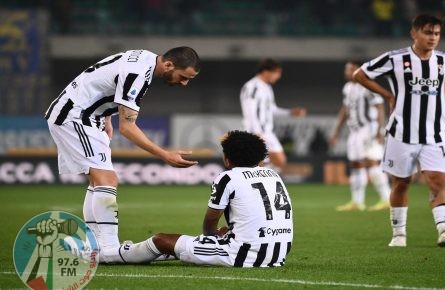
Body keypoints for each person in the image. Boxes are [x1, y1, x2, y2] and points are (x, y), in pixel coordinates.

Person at [45, 47, 201, 262]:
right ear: (168, 65)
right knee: (107, 179)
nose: (184, 83)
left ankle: (95, 244)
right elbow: (127, 128)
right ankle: (109, 248)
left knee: (98, 181)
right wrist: (165, 155)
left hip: (90, 115)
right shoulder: (139, 74)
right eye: (183, 77)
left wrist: (107, 117)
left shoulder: (143, 57)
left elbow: (103, 79)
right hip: (75, 116)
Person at [84, 130, 294, 267]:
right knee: (219, 234)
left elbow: (211, 221)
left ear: (227, 160)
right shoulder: (274, 175)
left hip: (243, 256)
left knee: (161, 240)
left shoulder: (228, 177)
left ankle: (104, 255)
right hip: (279, 253)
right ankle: (172, 251)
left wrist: (210, 238)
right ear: (260, 158)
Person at [353, 14, 445, 247]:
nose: (433, 38)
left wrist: (441, 93)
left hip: (435, 134)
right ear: (414, 33)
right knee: (402, 183)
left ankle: (444, 231)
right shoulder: (395, 59)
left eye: (436, 33)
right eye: (427, 32)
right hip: (401, 134)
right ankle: (399, 235)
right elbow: (360, 75)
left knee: (436, 182)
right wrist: (387, 95)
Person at [330, 61, 391, 212]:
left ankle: (387, 198)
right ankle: (357, 202)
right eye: (347, 69)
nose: (348, 72)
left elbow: (380, 106)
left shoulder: (368, 85)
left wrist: (379, 131)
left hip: (369, 129)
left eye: (351, 69)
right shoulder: (348, 88)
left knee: (371, 163)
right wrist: (336, 131)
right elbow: (345, 110)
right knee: (356, 165)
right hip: (355, 131)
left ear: (359, 70)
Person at [240, 58, 306, 171]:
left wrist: (290, 112)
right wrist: (257, 133)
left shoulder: (267, 88)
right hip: (256, 131)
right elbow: (249, 111)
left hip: (266, 131)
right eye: (277, 73)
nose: (278, 76)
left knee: (276, 161)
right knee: (263, 162)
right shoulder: (252, 87)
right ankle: (257, 183)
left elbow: (272, 110)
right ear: (266, 71)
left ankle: (261, 182)